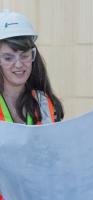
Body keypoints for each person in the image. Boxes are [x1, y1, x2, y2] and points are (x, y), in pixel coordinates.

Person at [0, 10, 64, 199]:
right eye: (8, 57)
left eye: (24, 55)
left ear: (33, 56)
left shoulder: (45, 103)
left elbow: (56, 158)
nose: (18, 65)